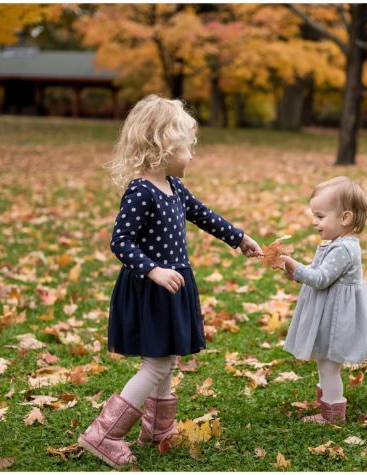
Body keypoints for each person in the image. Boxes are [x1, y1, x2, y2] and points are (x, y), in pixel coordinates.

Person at [78, 95, 261, 468]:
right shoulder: (141, 190)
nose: (192, 155)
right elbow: (121, 241)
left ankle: (157, 429)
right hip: (151, 288)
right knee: (156, 365)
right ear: (162, 146)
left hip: (174, 285)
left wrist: (238, 238)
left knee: (167, 360)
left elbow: (203, 215)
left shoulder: (174, 188)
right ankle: (104, 433)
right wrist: (153, 270)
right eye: (187, 147)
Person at [280, 176, 367, 424]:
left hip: (337, 319)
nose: (314, 222)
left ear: (344, 218)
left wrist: (296, 267)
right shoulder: (334, 243)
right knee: (325, 361)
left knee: (329, 365)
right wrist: (296, 272)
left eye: (320, 216)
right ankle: (326, 403)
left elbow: (320, 278)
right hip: (329, 312)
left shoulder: (343, 249)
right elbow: (316, 272)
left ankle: (332, 414)